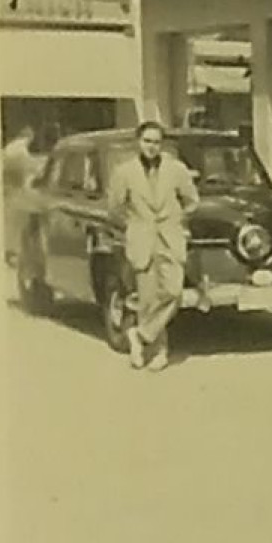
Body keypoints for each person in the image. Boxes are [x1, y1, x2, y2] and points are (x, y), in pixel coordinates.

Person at [106, 121, 200, 372]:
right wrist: (135, 225)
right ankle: (158, 352)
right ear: (138, 142)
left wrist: (176, 220)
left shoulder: (176, 169)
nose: (151, 147)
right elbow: (115, 208)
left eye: (156, 142)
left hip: (170, 238)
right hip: (141, 240)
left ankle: (140, 335)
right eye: (147, 141)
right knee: (147, 299)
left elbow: (192, 201)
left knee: (173, 291)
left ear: (162, 144)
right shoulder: (124, 172)